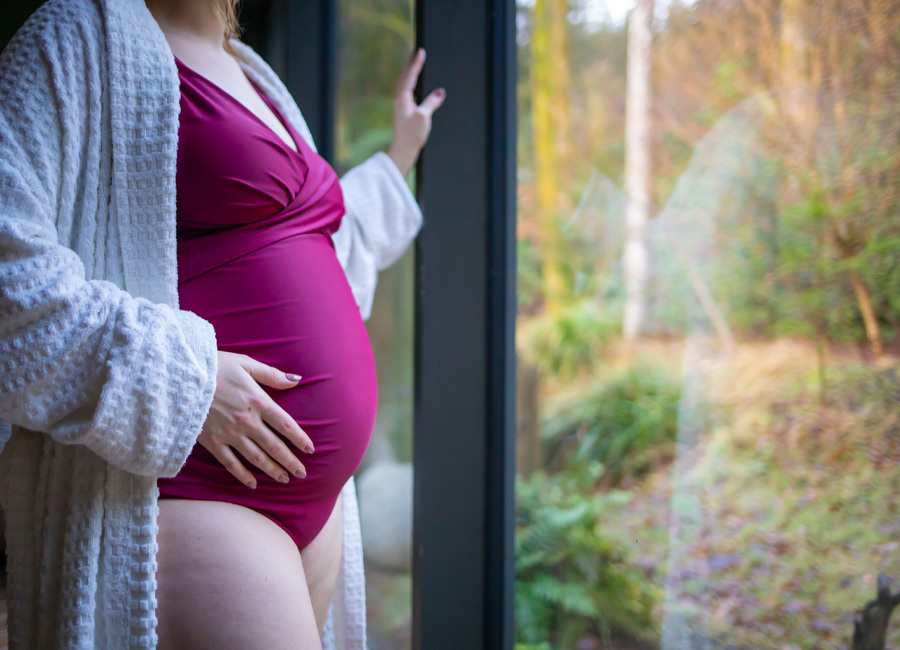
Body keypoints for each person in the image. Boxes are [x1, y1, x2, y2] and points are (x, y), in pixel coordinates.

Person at [0, 0, 445, 648]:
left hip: (306, 511)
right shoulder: (78, 32)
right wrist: (191, 382)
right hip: (194, 489)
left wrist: (398, 155)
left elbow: (306, 239)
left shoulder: (252, 71)